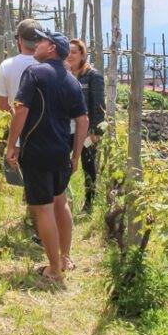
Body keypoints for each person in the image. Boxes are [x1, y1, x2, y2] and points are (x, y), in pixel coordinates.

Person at [5, 30, 89, 282]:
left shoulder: (35, 73)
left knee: (42, 209)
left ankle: (54, 270)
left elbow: (21, 112)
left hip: (37, 152)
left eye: (40, 42)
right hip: (61, 152)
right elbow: (83, 120)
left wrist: (12, 145)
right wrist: (75, 156)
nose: (36, 45)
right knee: (60, 202)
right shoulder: (72, 81)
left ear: (51, 48)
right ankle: (64, 258)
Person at [66, 38, 106, 212]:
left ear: (83, 54)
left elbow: (99, 104)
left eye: (74, 52)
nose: (70, 55)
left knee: (88, 166)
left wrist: (96, 132)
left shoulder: (92, 75)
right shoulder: (65, 74)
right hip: (66, 129)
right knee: (61, 162)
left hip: (86, 130)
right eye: (68, 52)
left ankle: (88, 204)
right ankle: (64, 199)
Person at [0, 18, 41, 111]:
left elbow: (2, 104)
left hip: (18, 122)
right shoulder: (49, 65)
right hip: (47, 124)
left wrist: (16, 118)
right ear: (41, 40)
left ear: (19, 40)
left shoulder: (6, 65)